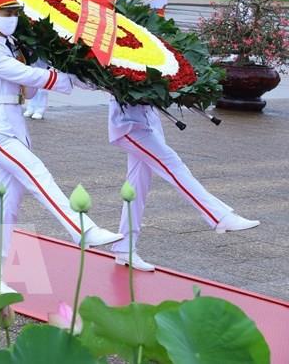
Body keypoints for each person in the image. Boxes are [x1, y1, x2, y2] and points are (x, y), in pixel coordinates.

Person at [0, 0, 122, 293]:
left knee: (7, 209)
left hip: (13, 129)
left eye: (15, 12)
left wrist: (61, 65)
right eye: (6, 13)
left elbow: (28, 91)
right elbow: (31, 77)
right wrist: (73, 79)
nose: (12, 17)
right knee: (38, 175)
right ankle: (82, 229)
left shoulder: (9, 47)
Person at [106, 98, 259, 271]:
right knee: (173, 166)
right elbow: (85, 83)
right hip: (129, 126)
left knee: (137, 185)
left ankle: (124, 247)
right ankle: (219, 216)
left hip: (148, 123)